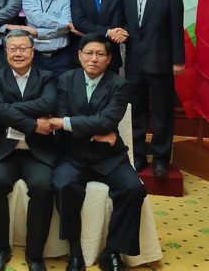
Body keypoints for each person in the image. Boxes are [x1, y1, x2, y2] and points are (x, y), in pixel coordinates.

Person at [49, 33, 146, 271]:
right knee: (63, 186)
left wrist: (70, 124)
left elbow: (106, 121)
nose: (93, 59)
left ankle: (112, 251)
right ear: (79, 55)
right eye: (89, 53)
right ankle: (75, 251)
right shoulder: (65, 80)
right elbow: (60, 116)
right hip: (72, 154)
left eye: (100, 54)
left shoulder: (119, 85)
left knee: (133, 189)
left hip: (109, 157)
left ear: (109, 59)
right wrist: (97, 133)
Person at [0, 29, 59, 271]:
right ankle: (1, 250)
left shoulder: (47, 76)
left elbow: (49, 103)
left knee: (44, 186)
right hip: (3, 151)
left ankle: (35, 254)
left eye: (23, 48)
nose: (18, 53)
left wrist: (7, 110)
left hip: (37, 152)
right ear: (6, 52)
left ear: (33, 52)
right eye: (12, 49)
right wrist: (34, 124)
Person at [117, 0, 184, 178]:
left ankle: (161, 159)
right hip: (134, 62)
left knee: (162, 112)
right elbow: (121, 22)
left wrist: (178, 60)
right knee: (136, 111)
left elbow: (176, 27)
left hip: (161, 61)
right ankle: (137, 156)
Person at [70, 0, 127, 73]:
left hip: (109, 55)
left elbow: (116, 26)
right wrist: (107, 32)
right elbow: (79, 22)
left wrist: (84, 33)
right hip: (84, 56)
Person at [20, 0, 72, 80]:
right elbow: (37, 19)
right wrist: (64, 24)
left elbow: (66, 29)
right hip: (34, 58)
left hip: (61, 58)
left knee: (62, 90)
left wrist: (37, 32)